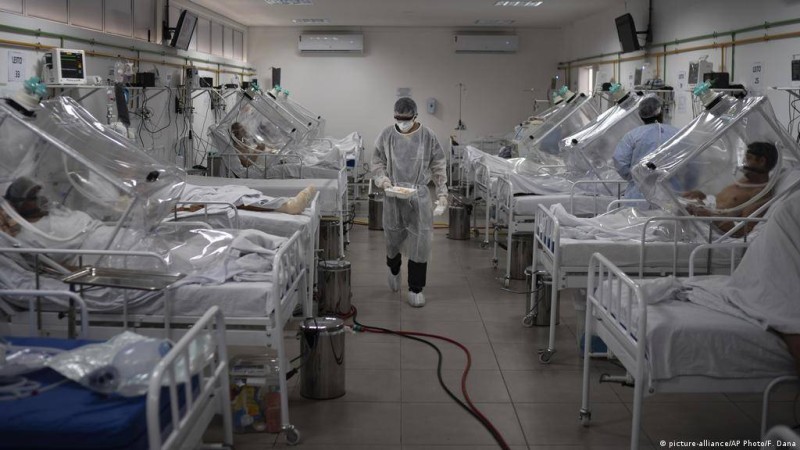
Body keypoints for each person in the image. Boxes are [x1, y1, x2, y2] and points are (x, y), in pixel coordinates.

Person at [371, 98, 447, 307]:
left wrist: (442, 194)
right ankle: (393, 268)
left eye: (406, 119)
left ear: (415, 116)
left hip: (419, 196)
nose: (402, 122)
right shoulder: (387, 135)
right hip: (393, 195)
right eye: (398, 118)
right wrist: (383, 180)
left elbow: (439, 166)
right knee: (392, 239)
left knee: (420, 242)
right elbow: (377, 162)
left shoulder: (427, 136)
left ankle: (415, 288)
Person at [682, 141, 779, 236]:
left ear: (762, 161)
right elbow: (724, 202)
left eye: (748, 158)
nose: (743, 162)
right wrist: (704, 197)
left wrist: (710, 216)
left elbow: (743, 231)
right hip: (705, 213)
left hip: (713, 229)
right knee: (678, 205)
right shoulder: (747, 180)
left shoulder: (760, 193)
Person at [612, 96, 679, 200]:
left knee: (638, 210)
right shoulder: (677, 134)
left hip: (639, 196)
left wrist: (637, 178)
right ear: (661, 112)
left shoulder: (632, 136)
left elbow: (620, 161)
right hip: (672, 194)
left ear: (641, 116)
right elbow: (691, 162)